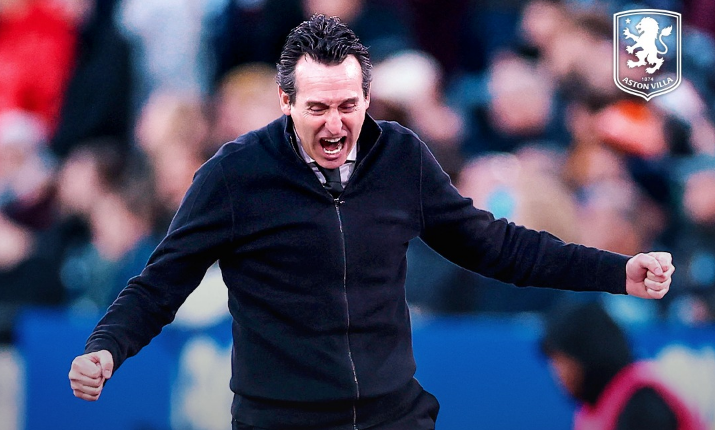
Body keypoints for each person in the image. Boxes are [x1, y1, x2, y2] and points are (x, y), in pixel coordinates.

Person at [69, 14, 675, 430]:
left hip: (393, 418)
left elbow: (496, 245)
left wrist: (616, 271)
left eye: (348, 106)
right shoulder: (233, 176)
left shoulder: (401, 157)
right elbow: (161, 283)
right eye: (317, 108)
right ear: (285, 102)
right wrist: (106, 347)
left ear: (367, 97)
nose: (335, 125)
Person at [540, 301, 705, 430]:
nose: (557, 372)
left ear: (586, 354)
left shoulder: (642, 403)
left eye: (561, 361)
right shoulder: (595, 404)